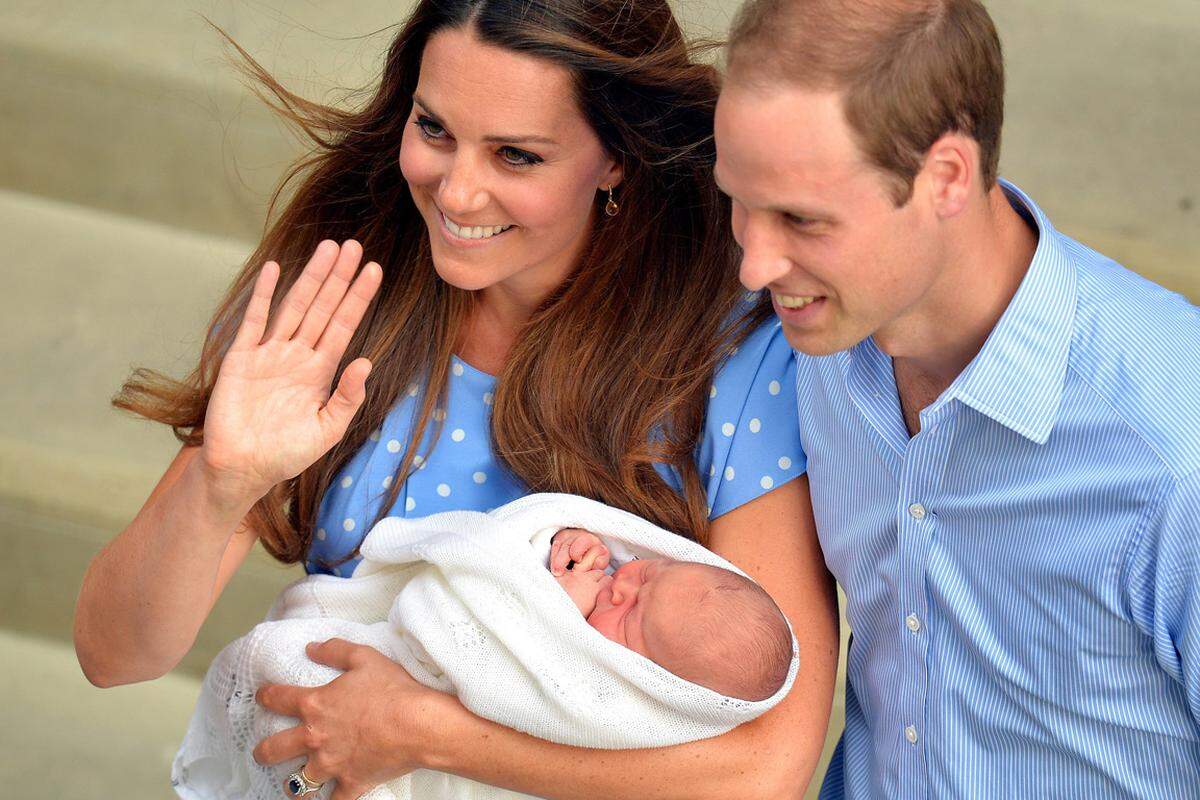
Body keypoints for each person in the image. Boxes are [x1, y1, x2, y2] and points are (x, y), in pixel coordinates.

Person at [74, 1, 838, 798]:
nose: (458, 193)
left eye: (516, 155)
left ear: (616, 158)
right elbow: (113, 654)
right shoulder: (342, 299)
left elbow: (764, 772)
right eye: (435, 130)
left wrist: (424, 733)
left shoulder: (736, 355)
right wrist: (219, 486)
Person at [714, 0, 1200, 797]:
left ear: (946, 177)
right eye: (740, 199)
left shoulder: (1176, 451)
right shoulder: (810, 345)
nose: (755, 265)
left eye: (802, 219)